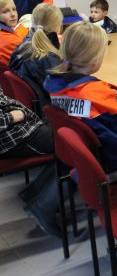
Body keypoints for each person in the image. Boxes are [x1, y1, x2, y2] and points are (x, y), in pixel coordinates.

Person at [44, 22, 117, 182]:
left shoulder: (54, 83)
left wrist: (114, 93)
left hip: (93, 157)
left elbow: (94, 105)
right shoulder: (93, 92)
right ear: (95, 60)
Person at [0, 89, 60, 237]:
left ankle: (34, 192)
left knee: (67, 130)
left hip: (23, 127)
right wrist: (11, 117)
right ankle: (43, 206)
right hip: (16, 136)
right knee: (74, 148)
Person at [9, 3, 63, 107]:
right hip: (47, 110)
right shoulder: (49, 60)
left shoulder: (21, 47)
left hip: (29, 107)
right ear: (57, 27)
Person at [0, 0, 29, 68]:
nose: (13, 14)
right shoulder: (8, 40)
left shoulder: (15, 29)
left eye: (14, 9)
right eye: (5, 11)